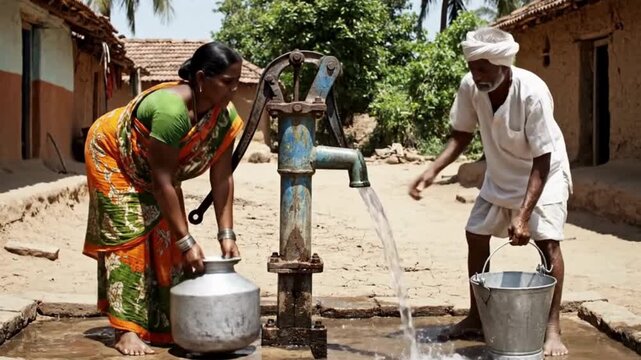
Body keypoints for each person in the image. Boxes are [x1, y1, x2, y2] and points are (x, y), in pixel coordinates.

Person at [408, 28, 572, 357]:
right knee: (476, 234)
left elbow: (543, 157)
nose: (476, 75)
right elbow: (461, 134)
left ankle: (552, 327)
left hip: (543, 176)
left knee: (547, 243)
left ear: (501, 64)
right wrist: (432, 170)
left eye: (483, 68)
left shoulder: (532, 92)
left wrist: (523, 216)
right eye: (472, 67)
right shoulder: (471, 87)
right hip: (500, 175)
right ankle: (476, 316)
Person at [83, 41, 244, 356]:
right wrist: (188, 240)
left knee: (167, 240)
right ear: (201, 79)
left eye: (237, 81)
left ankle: (163, 325)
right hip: (114, 156)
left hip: (157, 172)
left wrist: (226, 233)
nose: (234, 90)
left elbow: (222, 176)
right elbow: (162, 182)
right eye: (227, 82)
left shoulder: (223, 115)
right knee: (129, 240)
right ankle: (125, 331)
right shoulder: (171, 111)